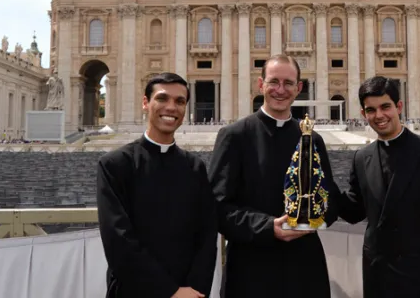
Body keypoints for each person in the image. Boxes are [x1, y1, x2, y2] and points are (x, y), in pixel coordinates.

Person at [208, 54, 339, 297]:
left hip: (305, 270)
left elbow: (329, 200)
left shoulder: (312, 139)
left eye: (288, 83)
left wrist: (313, 220)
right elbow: (217, 208)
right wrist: (268, 227)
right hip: (252, 269)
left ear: (298, 88)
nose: (281, 90)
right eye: (274, 82)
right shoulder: (235, 136)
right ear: (261, 85)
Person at [97, 72, 217, 298]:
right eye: (162, 99)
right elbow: (118, 239)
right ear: (146, 103)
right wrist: (169, 292)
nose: (171, 107)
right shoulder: (114, 165)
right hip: (134, 291)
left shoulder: (195, 168)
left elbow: (207, 237)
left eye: (180, 101)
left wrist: (196, 289)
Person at [339, 76, 420, 298]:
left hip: (419, 276)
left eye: (385, 107)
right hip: (377, 274)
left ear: (399, 107)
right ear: (364, 114)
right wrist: (319, 183)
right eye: (371, 110)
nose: (379, 116)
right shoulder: (361, 157)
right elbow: (355, 211)